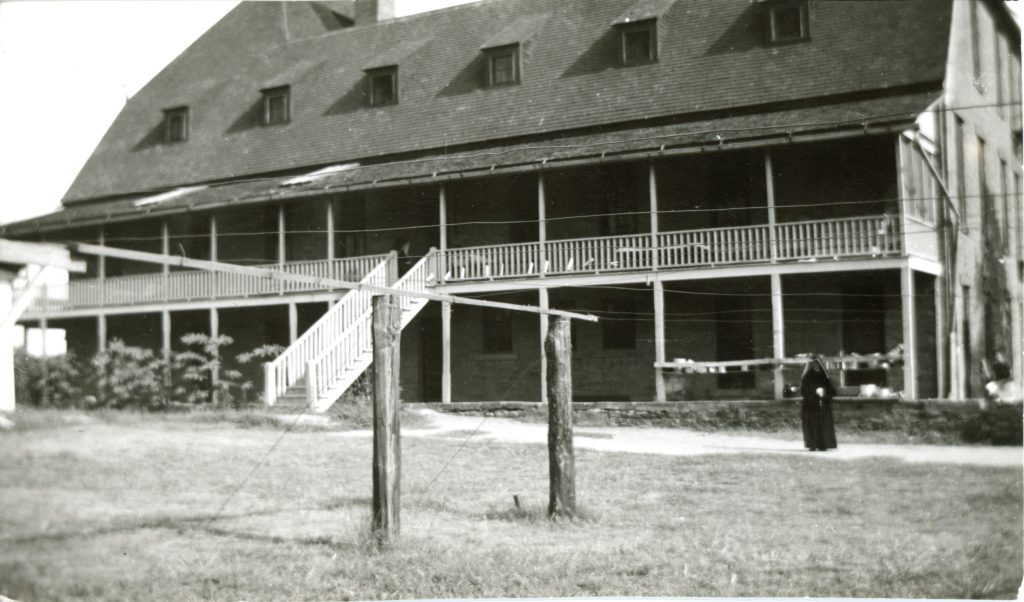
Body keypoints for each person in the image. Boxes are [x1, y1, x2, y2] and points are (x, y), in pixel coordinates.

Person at [800, 357, 837, 451]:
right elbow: (804, 391)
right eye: (814, 365)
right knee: (812, 425)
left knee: (823, 426)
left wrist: (824, 393)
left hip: (823, 405)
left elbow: (832, 391)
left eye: (817, 365)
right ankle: (812, 444)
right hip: (810, 406)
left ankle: (823, 445)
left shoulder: (824, 377)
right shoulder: (807, 377)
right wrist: (814, 392)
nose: (816, 367)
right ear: (811, 366)